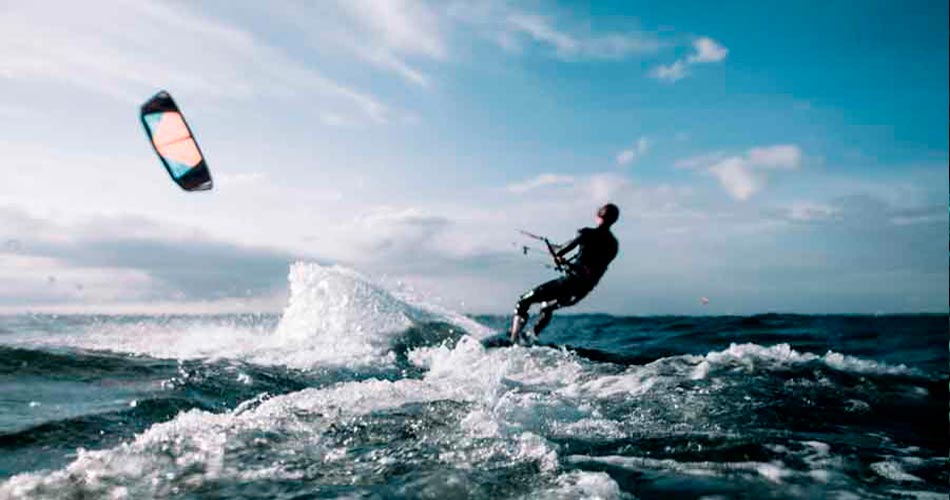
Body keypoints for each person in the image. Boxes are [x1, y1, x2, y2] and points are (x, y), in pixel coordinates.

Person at [510, 203, 619, 343]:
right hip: (583, 290)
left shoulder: (586, 233)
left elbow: (560, 251)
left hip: (569, 283)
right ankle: (531, 337)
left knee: (523, 301)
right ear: (614, 220)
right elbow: (594, 271)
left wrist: (550, 246)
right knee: (547, 307)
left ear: (598, 216)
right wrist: (567, 262)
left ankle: (513, 342)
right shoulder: (613, 244)